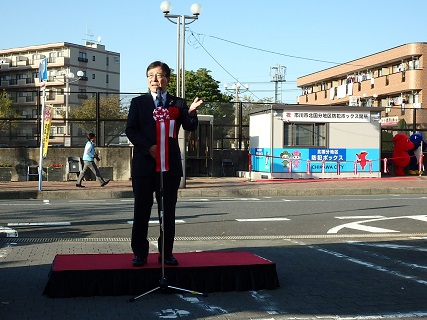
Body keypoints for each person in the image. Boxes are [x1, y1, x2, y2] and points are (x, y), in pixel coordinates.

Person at [125, 61, 203, 267]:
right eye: (150, 75)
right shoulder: (138, 103)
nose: (154, 79)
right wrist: (147, 147)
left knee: (167, 212)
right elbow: (131, 130)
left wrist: (192, 112)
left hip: (170, 166)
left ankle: (166, 253)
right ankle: (140, 253)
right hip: (144, 165)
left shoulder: (177, 103)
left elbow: (189, 126)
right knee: (141, 210)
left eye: (158, 75)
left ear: (167, 79)